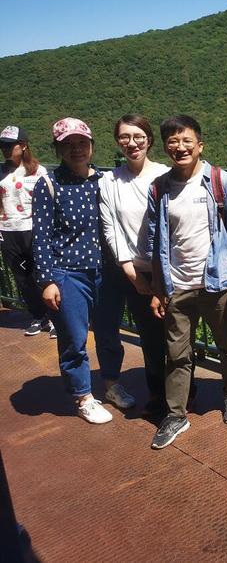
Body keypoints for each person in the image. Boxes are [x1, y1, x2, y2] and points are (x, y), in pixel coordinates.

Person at [147, 115, 227, 449]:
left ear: (200, 145)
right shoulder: (159, 188)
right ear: (165, 148)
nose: (180, 147)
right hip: (177, 285)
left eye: (186, 141)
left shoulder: (220, 182)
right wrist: (158, 288)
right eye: (173, 142)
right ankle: (176, 414)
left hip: (216, 282)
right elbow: (156, 241)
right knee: (176, 354)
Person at [32, 117, 120, 424]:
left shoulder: (104, 181)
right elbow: (41, 236)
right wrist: (47, 280)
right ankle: (83, 396)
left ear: (92, 145)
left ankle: (112, 384)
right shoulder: (49, 184)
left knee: (109, 333)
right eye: (68, 145)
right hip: (67, 273)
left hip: (106, 272)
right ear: (57, 150)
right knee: (74, 339)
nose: (76, 149)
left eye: (82, 143)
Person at [98, 115, 171, 417]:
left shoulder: (166, 175)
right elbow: (111, 228)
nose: (132, 143)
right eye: (125, 137)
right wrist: (130, 271)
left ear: (149, 139)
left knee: (177, 335)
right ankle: (157, 394)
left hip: (170, 270)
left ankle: (183, 392)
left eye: (138, 136)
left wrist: (163, 277)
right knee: (150, 339)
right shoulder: (109, 181)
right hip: (134, 272)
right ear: (118, 142)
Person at [0, 126, 51, 337]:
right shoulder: (1, 171)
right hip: (7, 230)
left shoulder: (39, 171)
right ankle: (39, 316)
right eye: (2, 146)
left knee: (42, 273)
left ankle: (55, 317)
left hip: (33, 229)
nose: (5, 149)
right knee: (22, 277)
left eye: (9, 145)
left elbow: (47, 201)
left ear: (23, 145)